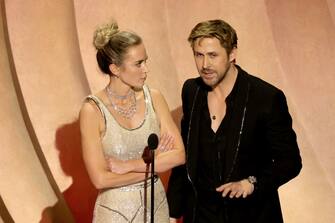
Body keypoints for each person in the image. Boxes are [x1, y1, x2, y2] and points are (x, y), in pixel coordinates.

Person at [167, 19, 302, 223]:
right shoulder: (191, 91)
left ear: (232, 54)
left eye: (213, 55)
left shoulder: (266, 98)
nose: (205, 65)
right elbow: (186, 155)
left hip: (250, 214)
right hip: (200, 214)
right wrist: (172, 212)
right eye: (198, 55)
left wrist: (251, 183)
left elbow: (290, 161)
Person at [79, 20, 185, 223]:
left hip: (157, 210)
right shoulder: (92, 110)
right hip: (115, 214)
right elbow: (100, 178)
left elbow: (179, 155)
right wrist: (154, 168)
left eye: (145, 61)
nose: (146, 69)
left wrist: (129, 165)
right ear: (115, 68)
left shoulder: (154, 97)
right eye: (138, 64)